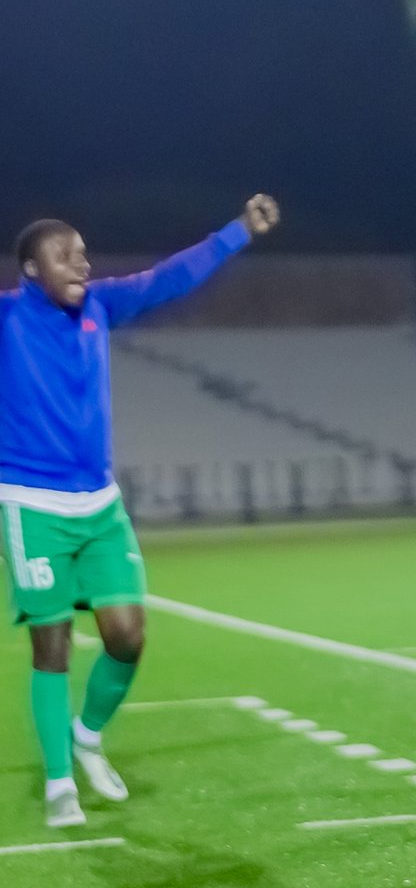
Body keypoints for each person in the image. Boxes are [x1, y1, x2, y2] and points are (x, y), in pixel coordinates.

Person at [3, 197, 281, 828]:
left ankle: (87, 737)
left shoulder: (101, 306)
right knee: (51, 646)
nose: (80, 264)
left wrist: (239, 230)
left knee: (127, 636)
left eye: (82, 253)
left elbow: (171, 278)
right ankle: (59, 785)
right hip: (31, 505)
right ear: (30, 270)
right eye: (62, 255)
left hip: (101, 505)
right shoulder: (9, 317)